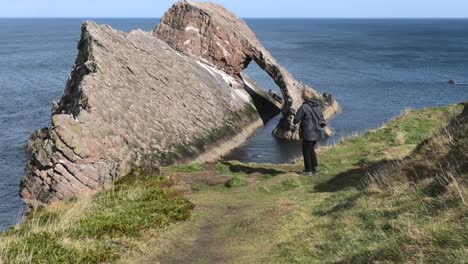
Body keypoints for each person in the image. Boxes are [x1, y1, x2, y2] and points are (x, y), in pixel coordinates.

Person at [294, 88, 326, 176]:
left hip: (308, 133)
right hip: (317, 132)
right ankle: (315, 167)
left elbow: (296, 120)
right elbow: (322, 118)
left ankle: (308, 170)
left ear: (303, 97)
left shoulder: (304, 107)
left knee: (306, 151)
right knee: (311, 149)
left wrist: (296, 115)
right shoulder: (318, 106)